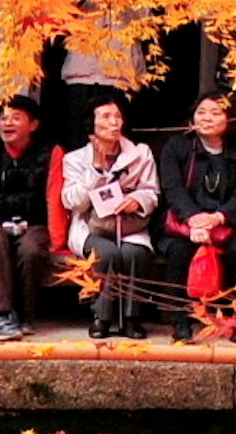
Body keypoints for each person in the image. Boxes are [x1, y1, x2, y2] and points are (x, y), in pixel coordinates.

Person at [56, 98, 159, 341]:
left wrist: (138, 200)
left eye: (118, 116)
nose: (114, 122)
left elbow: (152, 191)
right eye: (105, 117)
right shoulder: (74, 159)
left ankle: (132, 318)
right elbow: (73, 202)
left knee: (135, 253)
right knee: (108, 253)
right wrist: (95, 170)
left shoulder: (140, 153)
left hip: (129, 223)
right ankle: (101, 317)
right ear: (91, 125)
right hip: (92, 227)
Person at [0, 96, 56, 340]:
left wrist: (59, 242)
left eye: (16, 118)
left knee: (31, 249)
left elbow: (55, 198)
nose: (7, 123)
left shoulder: (51, 152)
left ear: (33, 125)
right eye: (3, 118)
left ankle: (26, 315)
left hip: (35, 221)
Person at [159, 94, 236, 315]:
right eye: (201, 112)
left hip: (229, 223)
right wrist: (193, 219)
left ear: (229, 118)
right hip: (185, 222)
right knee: (179, 251)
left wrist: (218, 217)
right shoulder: (176, 148)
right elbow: (172, 188)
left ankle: (234, 315)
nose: (207, 118)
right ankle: (179, 318)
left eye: (216, 113)